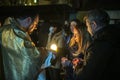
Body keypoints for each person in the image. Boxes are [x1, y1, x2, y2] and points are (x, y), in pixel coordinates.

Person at [0, 14, 48, 80]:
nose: (35, 27)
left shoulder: (6, 29)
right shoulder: (15, 32)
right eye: (35, 24)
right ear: (28, 20)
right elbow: (30, 57)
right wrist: (46, 53)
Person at [77, 9, 120, 80]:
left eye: (87, 26)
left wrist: (77, 68)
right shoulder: (114, 36)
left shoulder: (100, 44)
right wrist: (86, 62)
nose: (87, 29)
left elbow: (87, 76)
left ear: (93, 25)